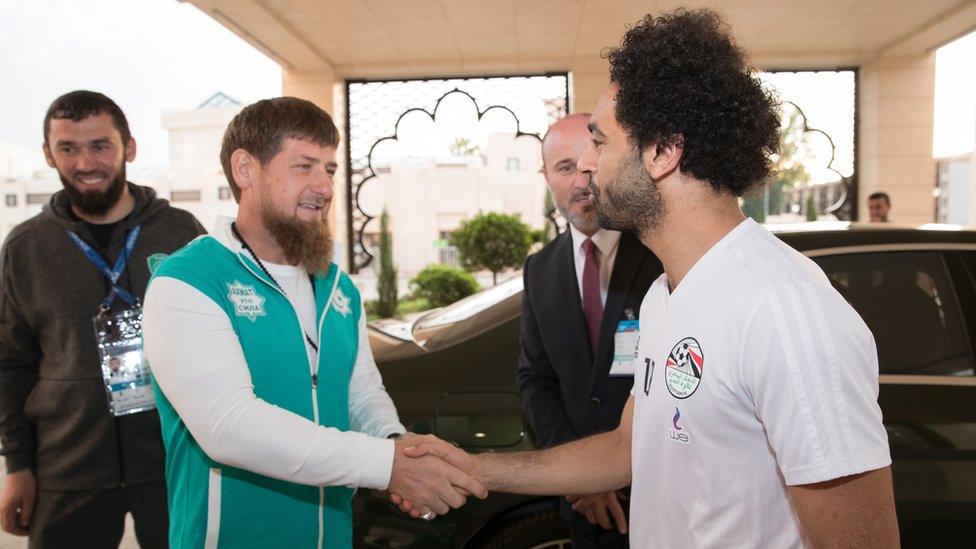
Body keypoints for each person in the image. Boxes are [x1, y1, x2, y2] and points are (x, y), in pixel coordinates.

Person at [395, 10, 900, 547]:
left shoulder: (784, 309)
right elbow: (624, 449)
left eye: (601, 141)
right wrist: (479, 469)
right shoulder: (664, 294)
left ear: (662, 152)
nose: (587, 164)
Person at [141, 97, 485, 548]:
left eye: (330, 169)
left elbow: (361, 394)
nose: (323, 187)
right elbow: (228, 427)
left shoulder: (339, 287)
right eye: (304, 166)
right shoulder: (188, 281)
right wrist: (388, 465)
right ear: (245, 170)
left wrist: (399, 444)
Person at [0, 90, 206, 548]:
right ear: (48, 154)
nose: (85, 162)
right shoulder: (26, 248)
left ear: (128, 148)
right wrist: (18, 467)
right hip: (68, 466)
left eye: (100, 145)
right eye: (68, 148)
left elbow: (217, 346)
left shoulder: (181, 234)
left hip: (175, 460)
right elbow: (11, 364)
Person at [517, 114, 659, 546]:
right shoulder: (539, 270)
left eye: (588, 161)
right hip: (583, 509)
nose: (581, 180)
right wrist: (580, 477)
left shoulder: (660, 254)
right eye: (563, 168)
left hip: (658, 494)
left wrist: (614, 469)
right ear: (545, 177)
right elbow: (536, 379)